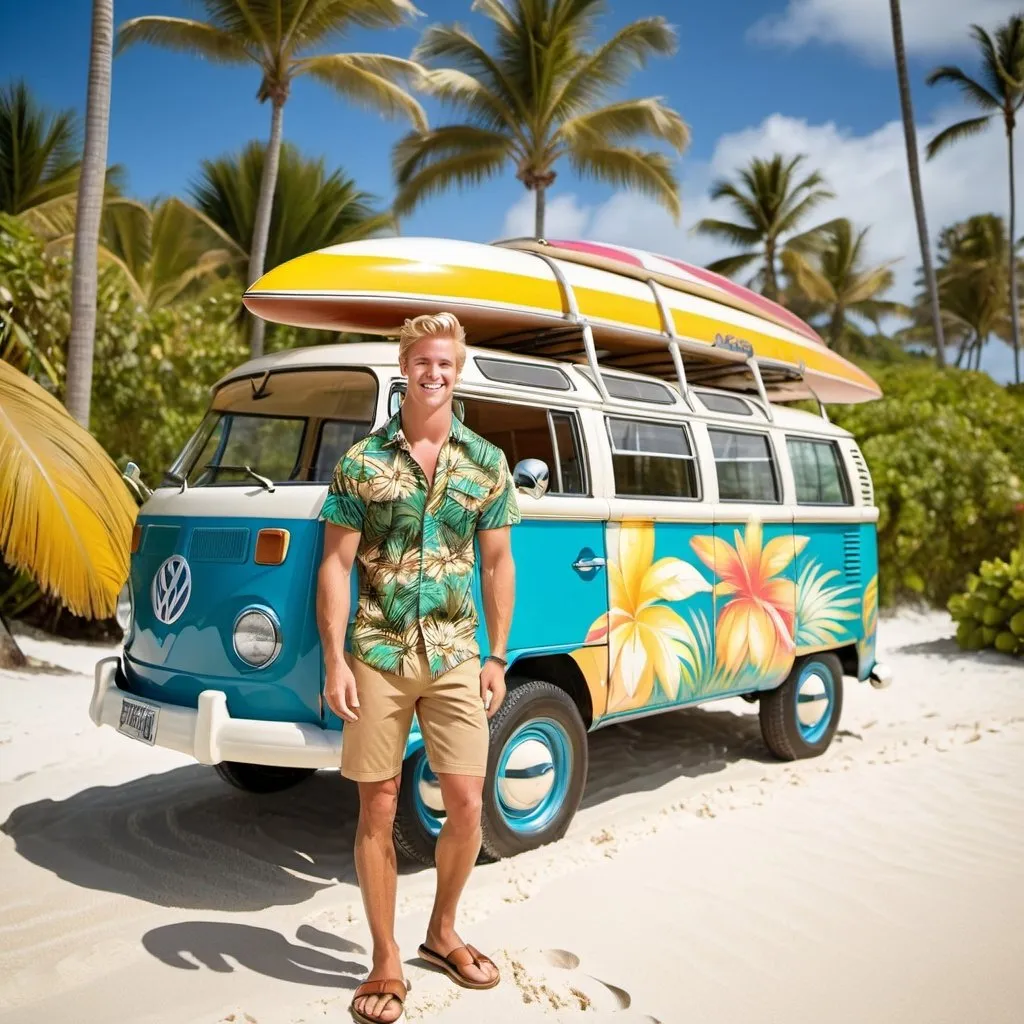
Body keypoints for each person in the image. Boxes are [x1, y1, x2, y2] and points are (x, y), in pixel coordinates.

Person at [316, 312, 521, 1024]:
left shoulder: (486, 462)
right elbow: (335, 566)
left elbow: (497, 561)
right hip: (377, 651)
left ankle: (441, 932)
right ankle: (384, 958)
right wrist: (336, 659)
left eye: (447, 363)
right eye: (423, 362)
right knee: (377, 805)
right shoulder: (361, 463)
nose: (435, 373)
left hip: (458, 651)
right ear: (404, 367)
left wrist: (497, 653)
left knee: (466, 803)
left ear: (457, 370)